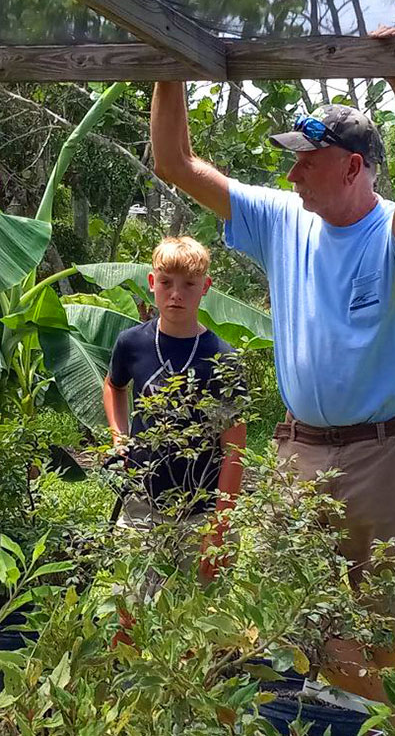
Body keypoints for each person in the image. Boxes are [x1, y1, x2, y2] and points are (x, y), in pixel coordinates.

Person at [148, 25, 395, 701]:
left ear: (352, 167)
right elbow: (175, 162)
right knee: (282, 608)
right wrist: (170, 60)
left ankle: (377, 716)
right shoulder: (284, 217)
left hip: (386, 450)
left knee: (378, 622)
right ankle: (319, 710)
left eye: (306, 160)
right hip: (301, 450)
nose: (290, 173)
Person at [103, 236, 246, 582]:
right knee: (130, 613)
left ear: (205, 288)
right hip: (143, 504)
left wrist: (220, 525)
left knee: (201, 618)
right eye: (166, 283)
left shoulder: (222, 358)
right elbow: (113, 385)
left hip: (202, 508)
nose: (176, 294)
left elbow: (235, 449)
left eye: (189, 285)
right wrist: (119, 438)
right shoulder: (132, 343)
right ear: (152, 284)